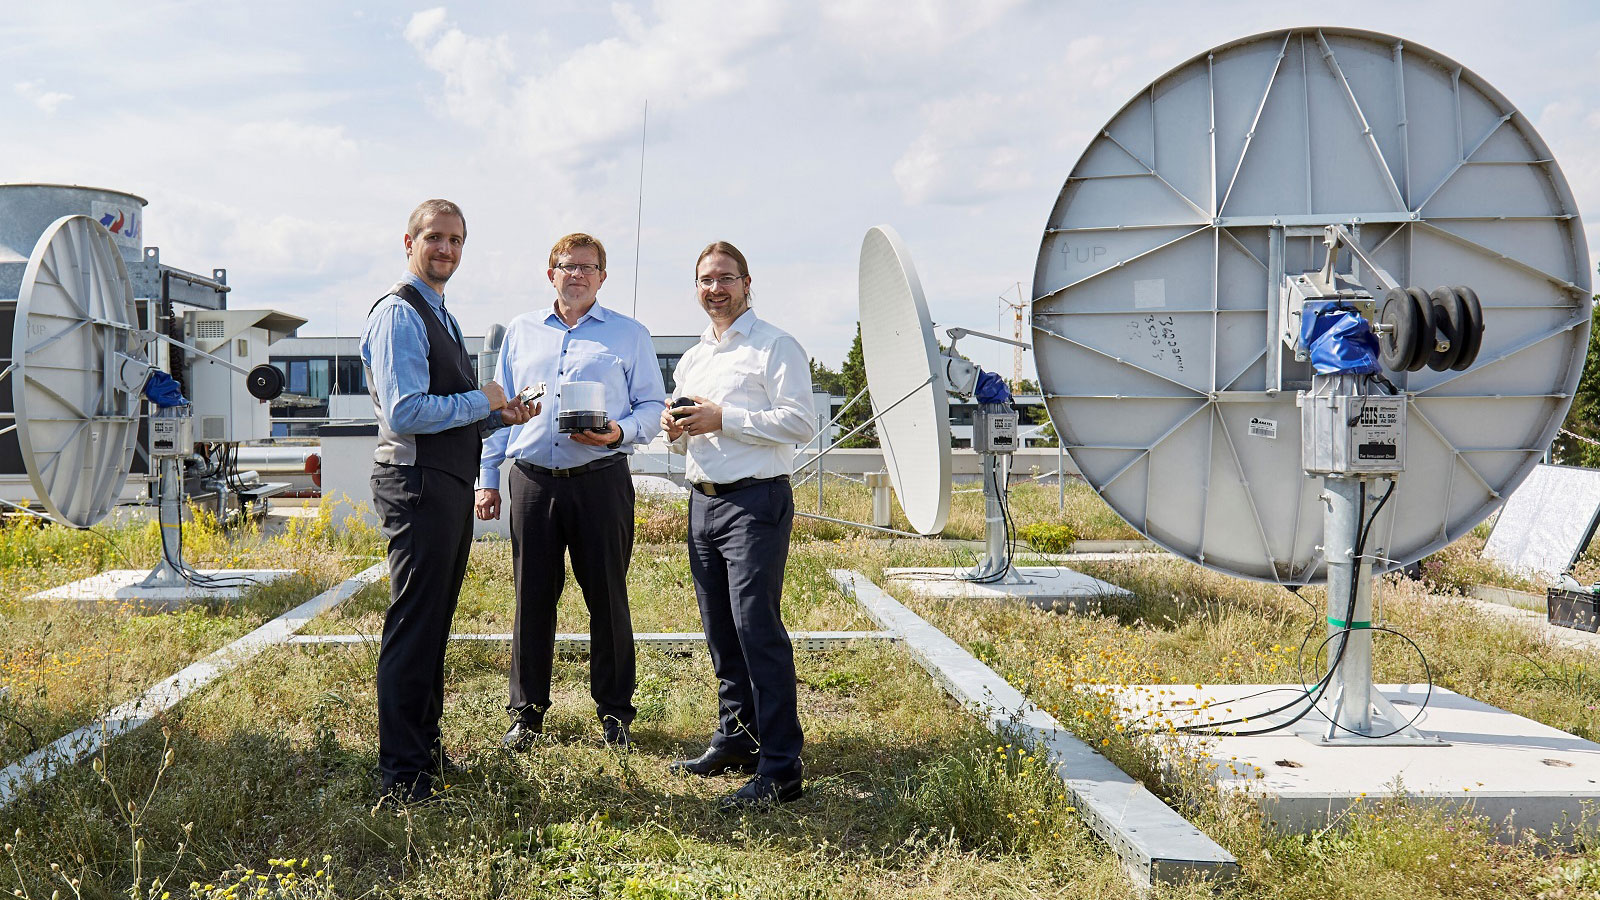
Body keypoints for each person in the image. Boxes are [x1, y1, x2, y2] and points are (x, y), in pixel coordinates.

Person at [362, 199, 536, 805]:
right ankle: (403, 775)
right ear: (407, 241)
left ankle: (424, 753)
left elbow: (447, 418)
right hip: (416, 486)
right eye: (435, 238)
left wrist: (497, 415)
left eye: (457, 240)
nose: (447, 250)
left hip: (444, 484)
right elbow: (406, 412)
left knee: (431, 625)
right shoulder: (400, 314)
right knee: (413, 625)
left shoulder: (438, 313)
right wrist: (482, 399)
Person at [476, 233, 665, 750]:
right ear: (550, 274)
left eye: (588, 267)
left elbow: (652, 407)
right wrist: (487, 479)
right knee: (531, 599)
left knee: (607, 598)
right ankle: (527, 714)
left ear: (603, 277)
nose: (577, 274)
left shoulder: (629, 335)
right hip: (532, 481)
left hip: (601, 481)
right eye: (567, 265)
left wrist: (619, 433)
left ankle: (614, 714)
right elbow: (501, 409)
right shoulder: (521, 331)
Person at [662, 241, 816, 808]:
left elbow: (800, 421)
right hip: (703, 501)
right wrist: (678, 426)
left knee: (757, 630)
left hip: (755, 503)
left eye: (726, 278)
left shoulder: (775, 345)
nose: (715, 288)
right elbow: (690, 421)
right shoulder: (695, 356)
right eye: (705, 279)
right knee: (721, 631)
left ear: (747, 283)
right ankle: (738, 739)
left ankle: (780, 767)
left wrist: (723, 417)